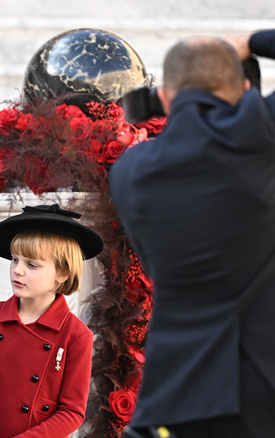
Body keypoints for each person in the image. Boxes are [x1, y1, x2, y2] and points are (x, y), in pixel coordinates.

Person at [109, 30, 275, 437]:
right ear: (245, 89)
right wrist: (254, 40)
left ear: (166, 98)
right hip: (264, 388)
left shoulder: (130, 172)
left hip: (178, 392)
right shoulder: (263, 138)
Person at [0, 204, 103, 438]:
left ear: (62, 273)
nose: (17, 271)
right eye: (15, 260)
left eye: (32, 265)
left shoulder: (76, 335)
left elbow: (72, 412)